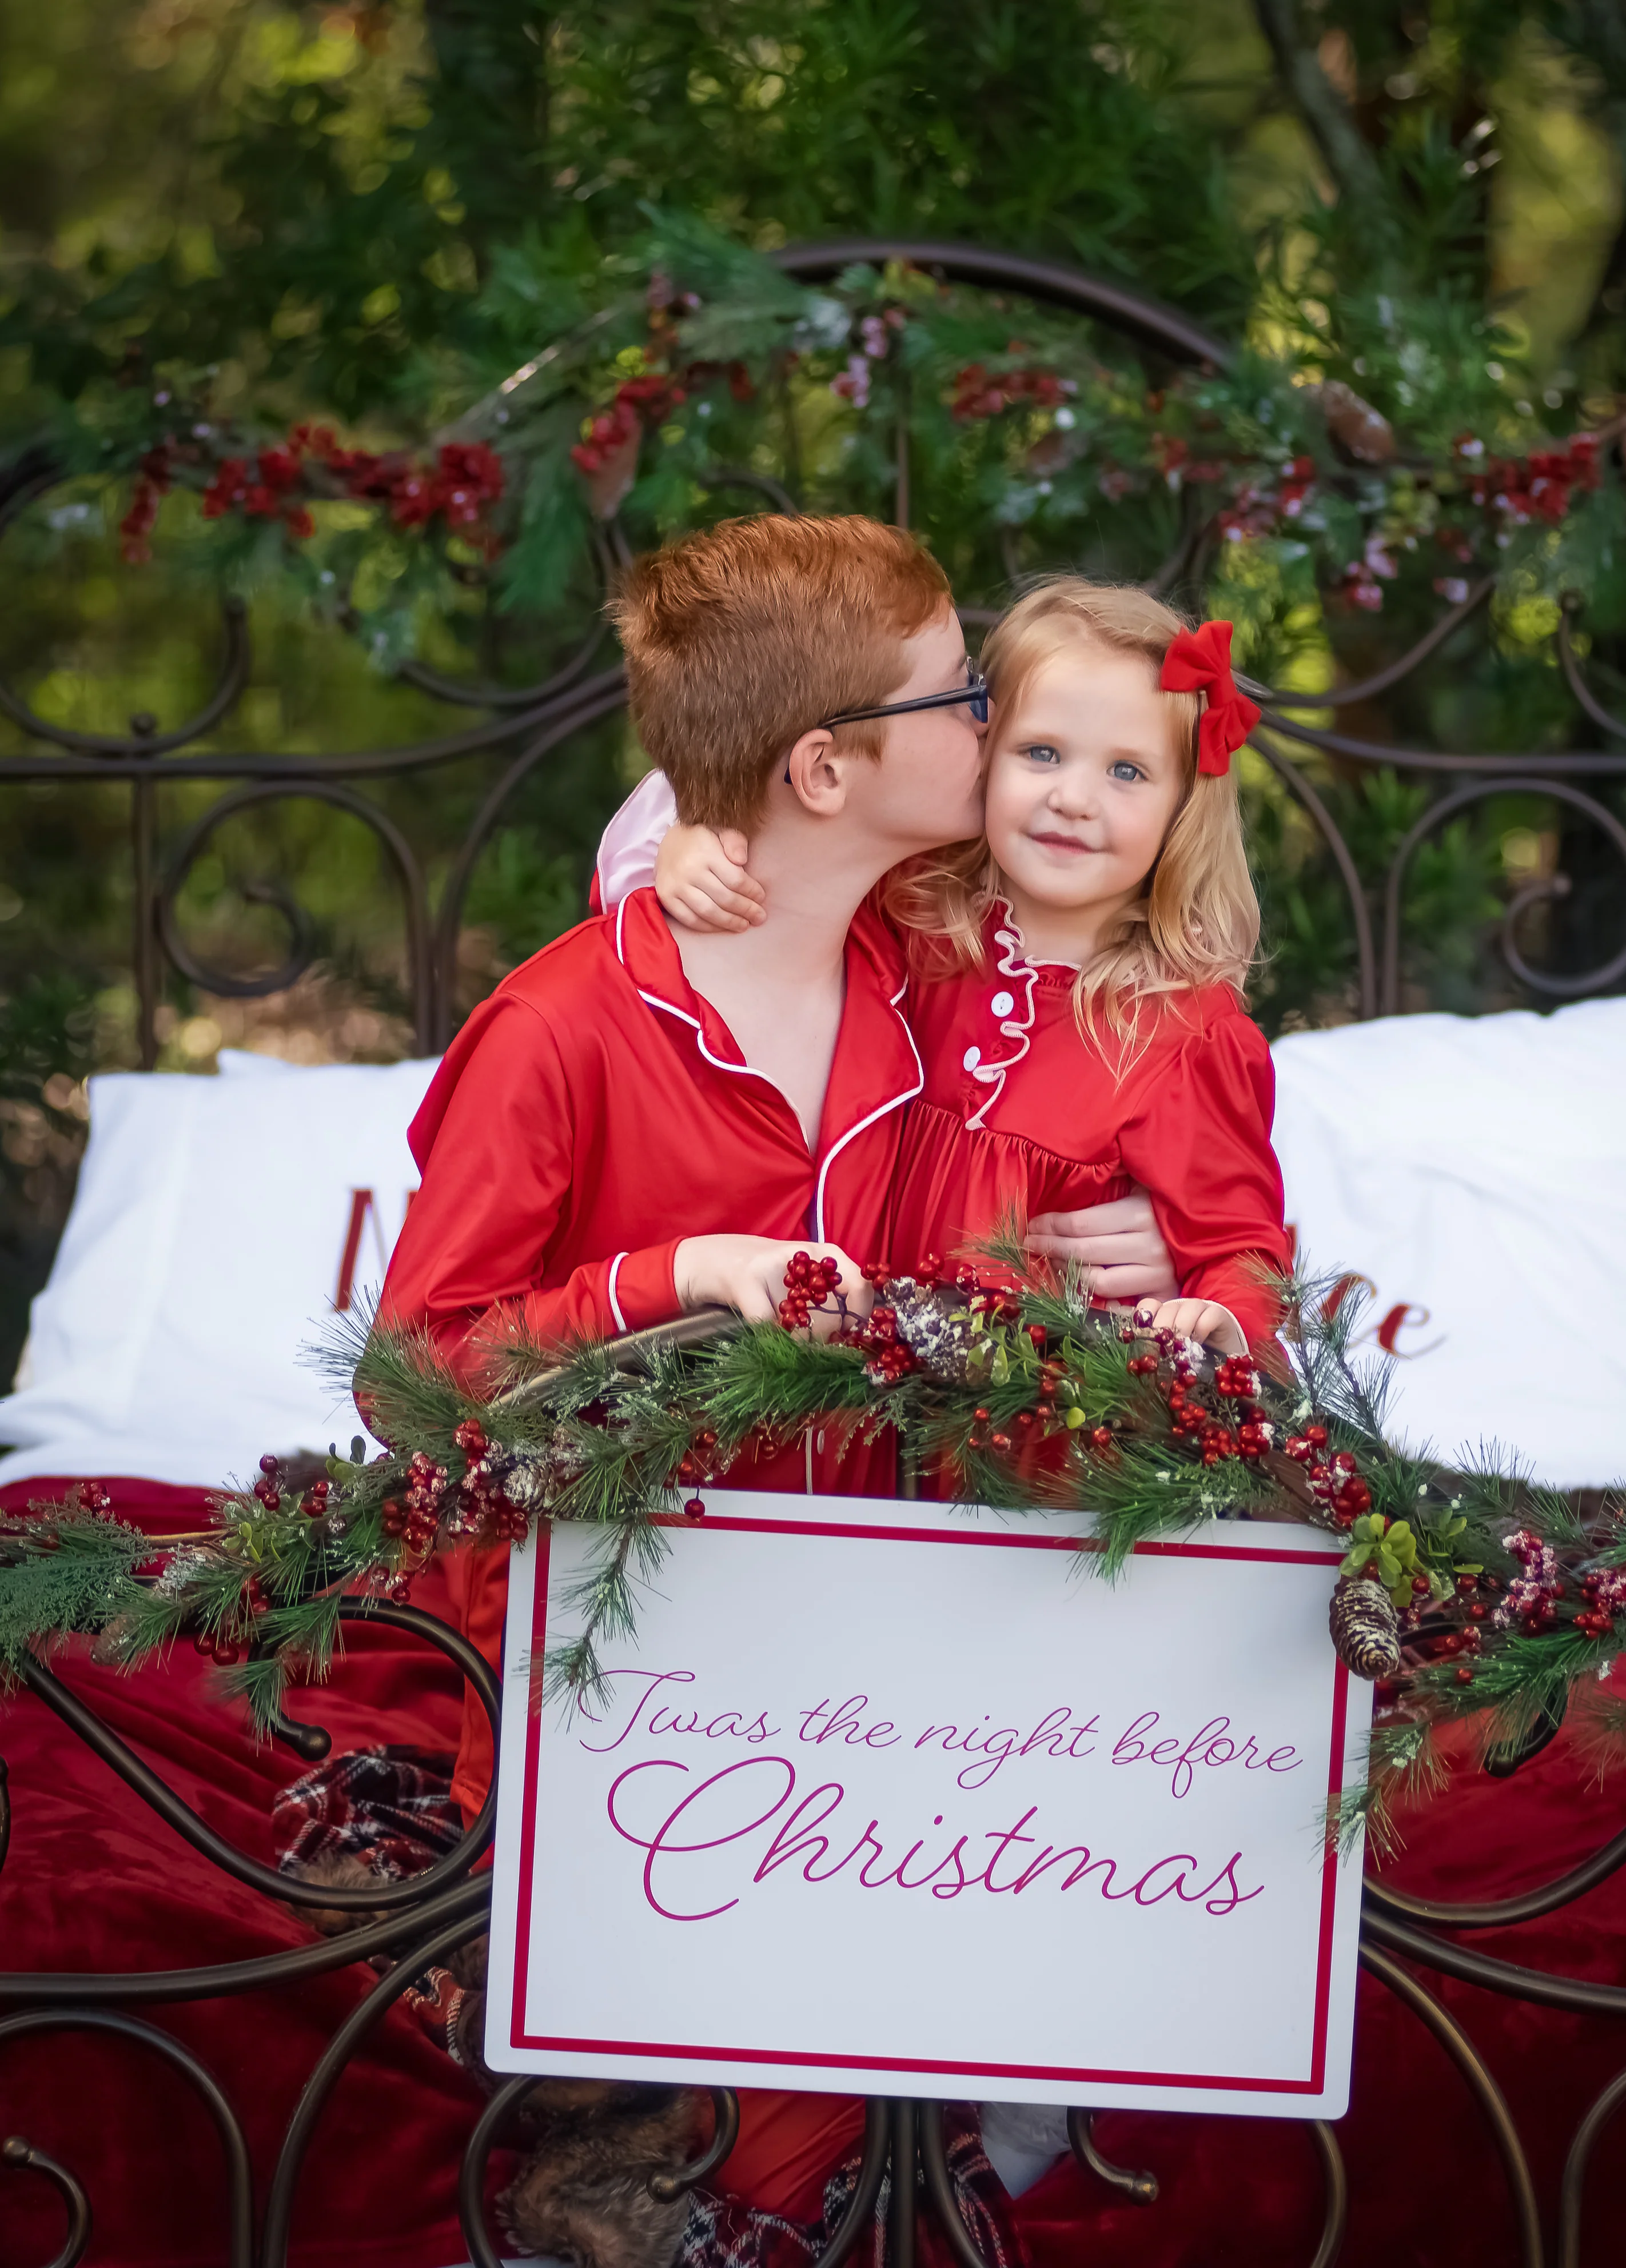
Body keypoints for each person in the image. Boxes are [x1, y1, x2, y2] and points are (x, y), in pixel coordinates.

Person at [376, 517, 1180, 2241]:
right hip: (617, 1680)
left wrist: (1149, 1257)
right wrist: (662, 1282)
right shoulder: (561, 1031)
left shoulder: (929, 974)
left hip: (877, 1656)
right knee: (747, 2125)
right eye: (959, 693)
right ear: (826, 767)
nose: (994, 715)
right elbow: (413, 1378)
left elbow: (1112, 1071)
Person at [600, 576, 1292, 1361]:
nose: (1072, 798)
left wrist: (1206, 1300)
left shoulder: (1181, 1033)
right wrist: (688, 841)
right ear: (982, 756)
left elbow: (1241, 1251)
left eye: (1126, 772)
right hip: (848, 1414)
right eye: (1040, 752)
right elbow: (732, 854)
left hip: (1035, 1441)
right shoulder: (904, 922)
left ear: (1183, 806)